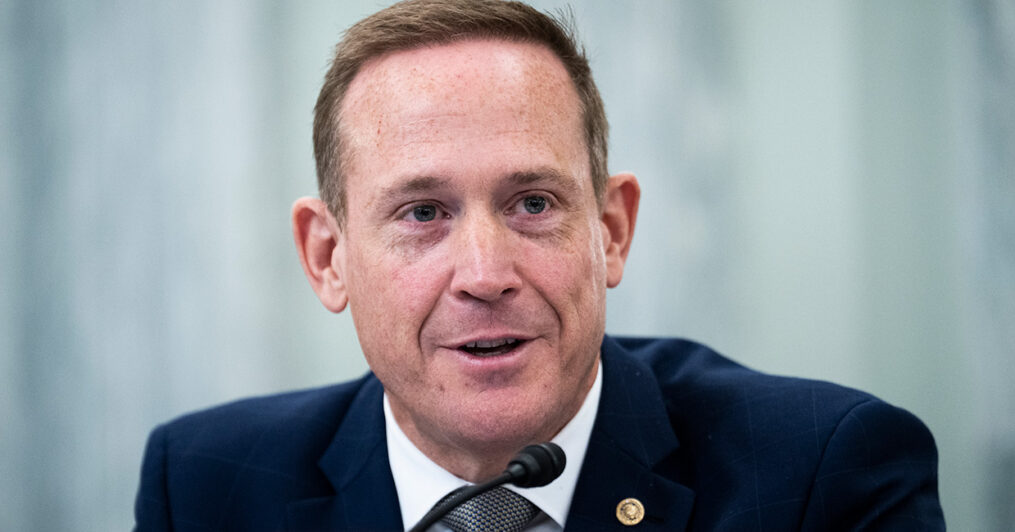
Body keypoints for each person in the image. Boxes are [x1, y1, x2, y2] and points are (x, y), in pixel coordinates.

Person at [133, 1, 944, 530]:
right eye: (423, 213)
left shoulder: (824, 476)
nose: (485, 273)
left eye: (532, 204)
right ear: (328, 257)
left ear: (612, 230)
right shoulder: (205, 487)